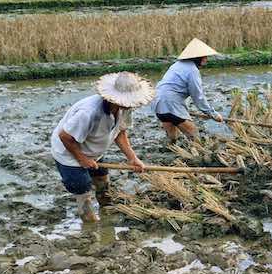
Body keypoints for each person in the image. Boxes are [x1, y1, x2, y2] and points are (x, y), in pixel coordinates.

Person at [51, 71, 154, 222]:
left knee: (103, 183)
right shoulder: (89, 112)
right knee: (83, 189)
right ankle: (90, 225)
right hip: (68, 154)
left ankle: (106, 214)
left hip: (93, 149)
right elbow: (65, 137)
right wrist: (82, 159)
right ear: (114, 98)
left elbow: (120, 132)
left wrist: (133, 158)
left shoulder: (124, 108)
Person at [153, 38, 224, 141]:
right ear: (197, 58)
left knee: (173, 138)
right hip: (170, 104)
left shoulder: (176, 65)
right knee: (194, 136)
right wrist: (213, 114)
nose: (206, 59)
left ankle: (170, 150)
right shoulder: (192, 70)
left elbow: (172, 88)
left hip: (158, 103)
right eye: (204, 56)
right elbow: (198, 96)